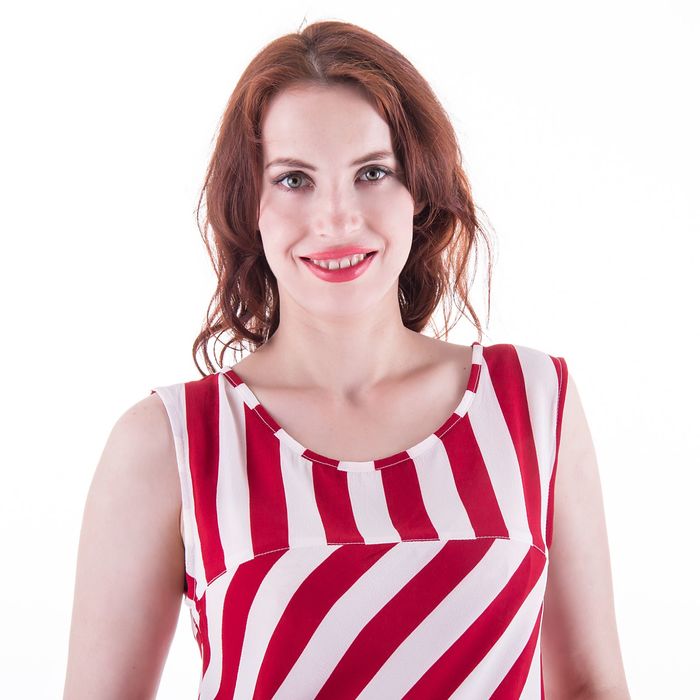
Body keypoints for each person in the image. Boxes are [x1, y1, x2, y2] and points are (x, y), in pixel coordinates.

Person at [63, 20, 630, 700]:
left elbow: (591, 687)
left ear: (417, 189)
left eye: (371, 173)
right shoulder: (171, 443)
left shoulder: (532, 401)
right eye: (294, 179)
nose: (337, 218)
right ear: (250, 206)